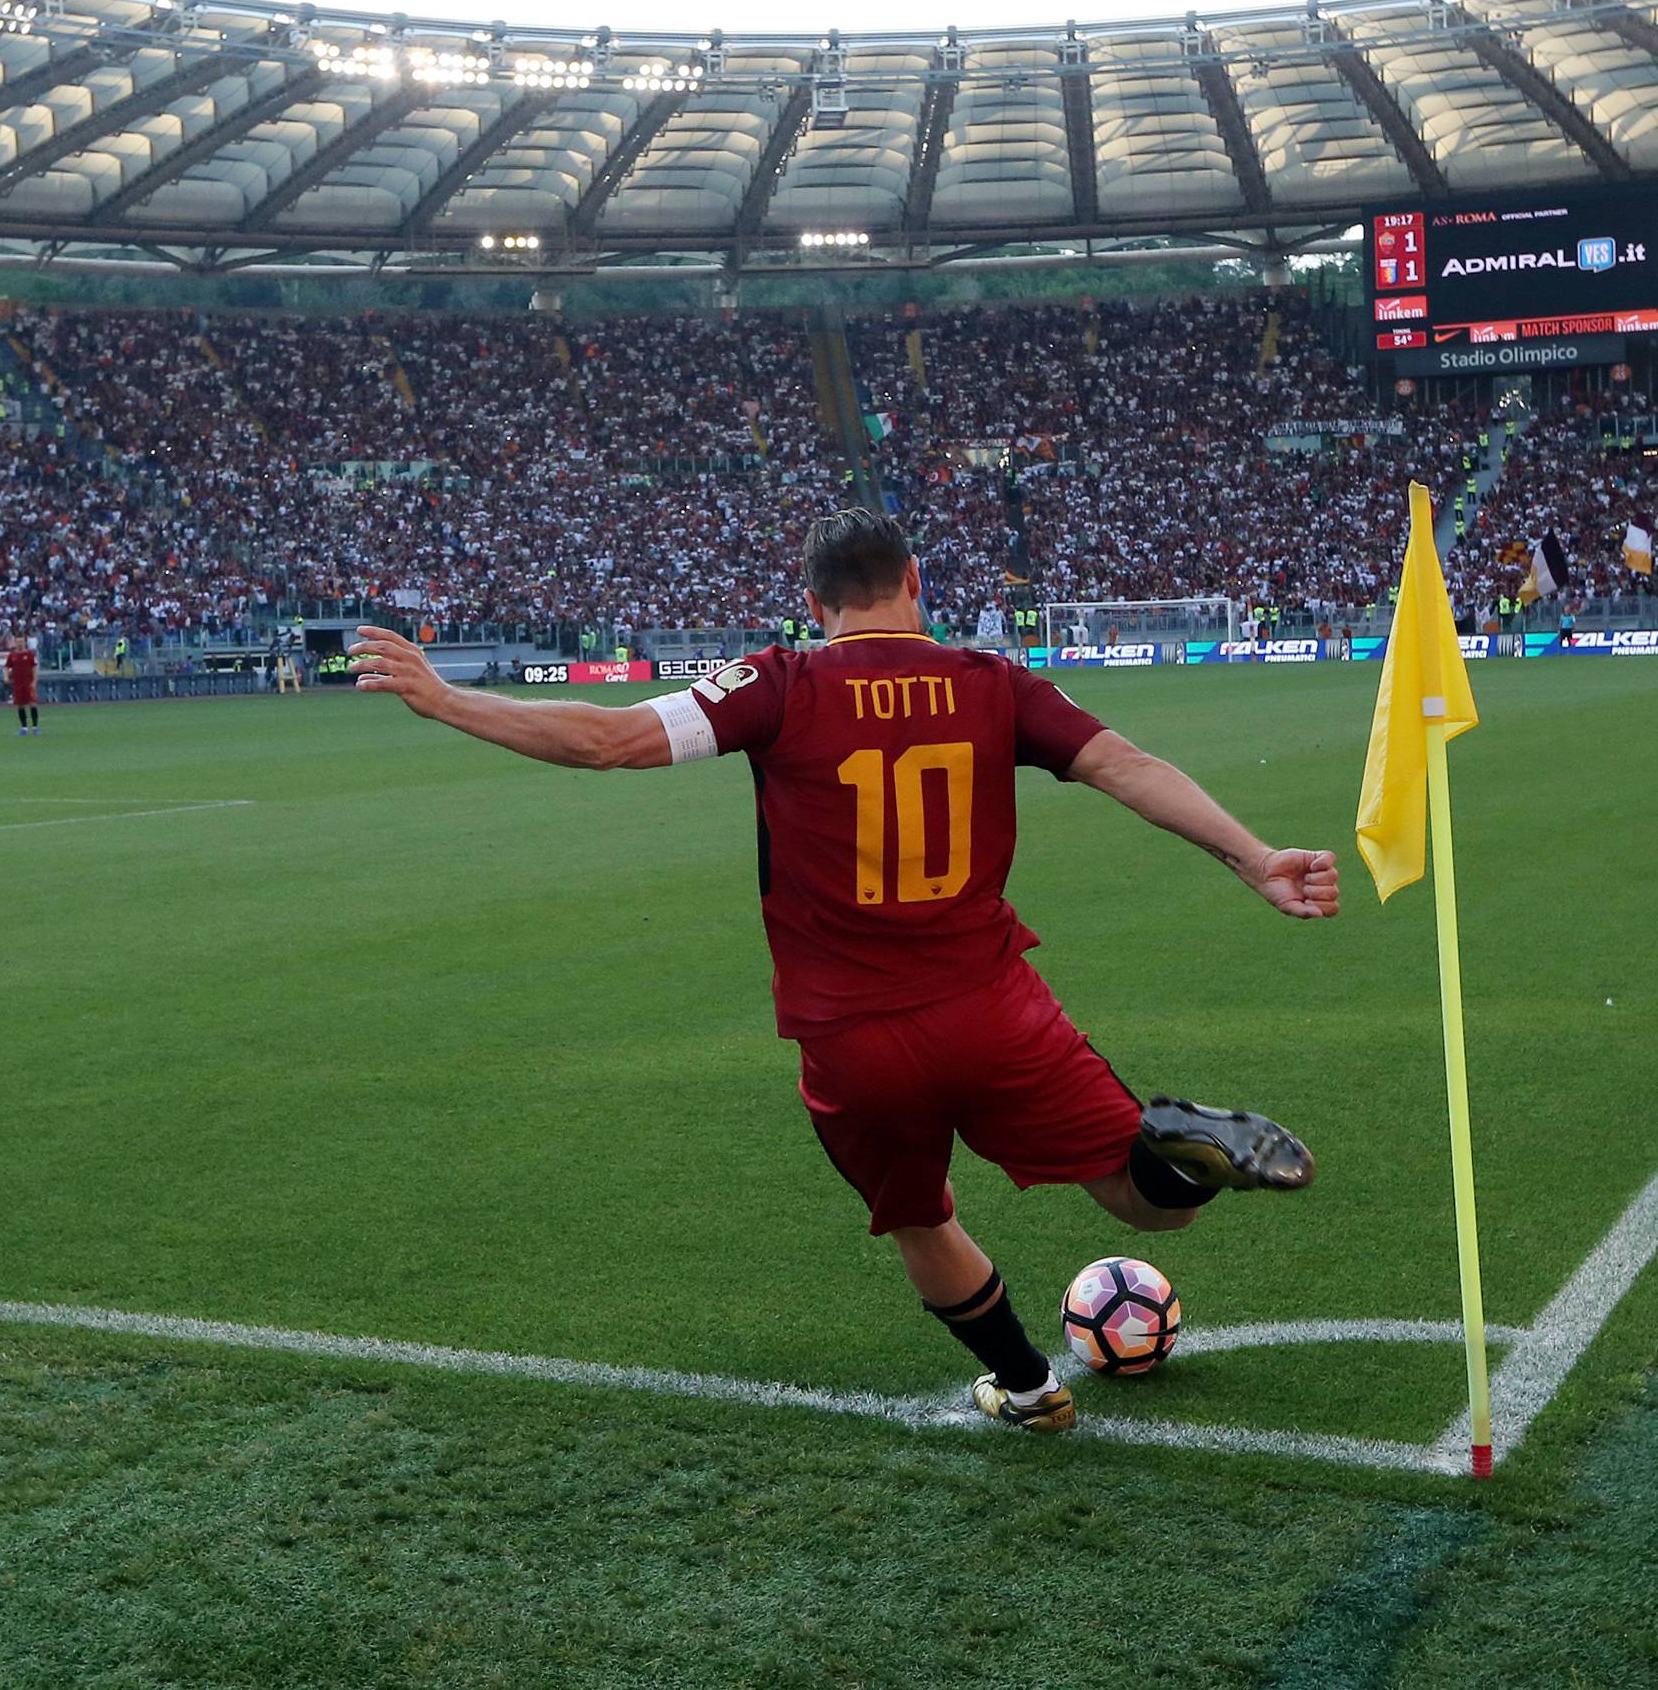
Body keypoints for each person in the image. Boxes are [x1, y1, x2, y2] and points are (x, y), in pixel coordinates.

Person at [350, 509, 1338, 1436]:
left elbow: (610, 741)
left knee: (919, 1218)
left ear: (815, 603)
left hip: (851, 1036)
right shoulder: (993, 681)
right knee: (1154, 1205)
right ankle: (1181, 1137)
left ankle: (1032, 1391)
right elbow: (1126, 765)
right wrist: (1253, 857)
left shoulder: (777, 682)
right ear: (915, 582)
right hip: (993, 1009)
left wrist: (445, 700)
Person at [5, 635, 40, 735]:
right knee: (20, 705)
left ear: (24, 643)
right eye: (18, 642)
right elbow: (7, 667)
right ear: (15, 643)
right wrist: (6, 676)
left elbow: (34, 668)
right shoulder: (12, 655)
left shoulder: (29, 654)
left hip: (28, 683)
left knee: (32, 703)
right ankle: (24, 728)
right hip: (17, 684)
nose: (19, 644)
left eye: (21, 642)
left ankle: (35, 727)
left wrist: (34, 681)